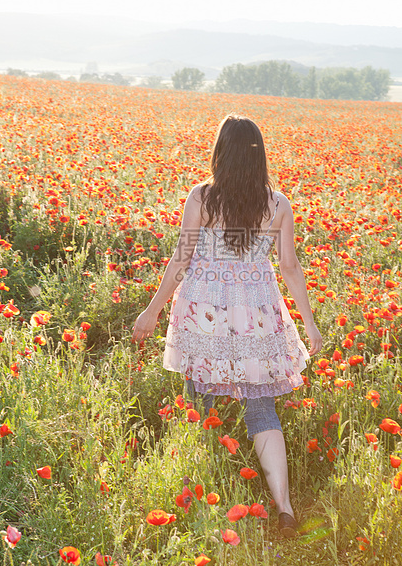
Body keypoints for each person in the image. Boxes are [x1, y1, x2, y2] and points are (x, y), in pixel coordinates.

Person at [131, 114, 323, 538]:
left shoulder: (202, 198)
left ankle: (200, 494)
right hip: (256, 313)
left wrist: (152, 310)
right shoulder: (277, 204)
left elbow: (181, 261)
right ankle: (285, 507)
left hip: (205, 312)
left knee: (201, 402)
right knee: (261, 409)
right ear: (260, 157)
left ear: (221, 152)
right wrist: (309, 324)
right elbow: (289, 268)